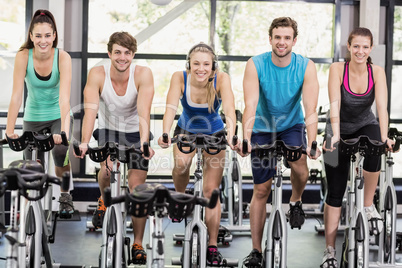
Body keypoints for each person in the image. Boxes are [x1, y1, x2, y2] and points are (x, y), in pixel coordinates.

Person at [239, 17, 320, 267]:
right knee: (261, 190)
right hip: (262, 128)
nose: (282, 42)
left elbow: (310, 109)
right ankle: (256, 250)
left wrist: (314, 141)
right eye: (277, 37)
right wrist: (245, 137)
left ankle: (295, 201)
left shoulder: (306, 66)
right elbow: (250, 104)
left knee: (300, 167)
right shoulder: (255, 64)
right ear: (270, 39)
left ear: (294, 41)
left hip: (292, 126)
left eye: (287, 38)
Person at [75, 31, 155, 264]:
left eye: (127, 53)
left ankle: (138, 242)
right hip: (108, 129)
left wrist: (144, 142)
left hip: (134, 131)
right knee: (108, 172)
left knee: (136, 188)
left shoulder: (143, 74)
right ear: (109, 53)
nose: (122, 57)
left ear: (133, 55)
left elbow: (144, 111)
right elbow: (90, 110)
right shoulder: (97, 74)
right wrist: (84, 141)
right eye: (117, 52)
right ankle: (103, 198)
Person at [158, 42, 238, 266]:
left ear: (213, 66)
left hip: (214, 131)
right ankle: (180, 198)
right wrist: (165, 132)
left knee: (211, 191)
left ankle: (212, 245)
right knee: (182, 164)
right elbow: (171, 108)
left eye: (206, 64)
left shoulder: (221, 79)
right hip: (186, 128)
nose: (201, 69)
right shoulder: (179, 77)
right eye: (196, 64)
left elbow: (230, 109)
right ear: (189, 65)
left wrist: (232, 134)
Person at [320, 27, 393, 268]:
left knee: (376, 146)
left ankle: (368, 203)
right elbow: (334, 105)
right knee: (335, 191)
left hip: (364, 124)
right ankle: (329, 250)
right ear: (349, 47)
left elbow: (381, 108)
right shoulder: (337, 69)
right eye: (356, 46)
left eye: (365, 47)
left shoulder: (378, 72)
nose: (360, 51)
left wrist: (385, 137)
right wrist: (335, 137)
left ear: (370, 49)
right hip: (336, 127)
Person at [5, 9, 74, 217]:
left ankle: (65, 196)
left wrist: (63, 132)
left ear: (54, 35)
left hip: (56, 115)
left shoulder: (62, 57)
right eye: (38, 36)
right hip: (33, 116)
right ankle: (29, 210)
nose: (43, 41)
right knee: (32, 167)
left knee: (61, 154)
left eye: (47, 35)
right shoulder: (23, 56)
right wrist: (9, 131)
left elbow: (64, 99)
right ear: (31, 37)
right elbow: (17, 96)